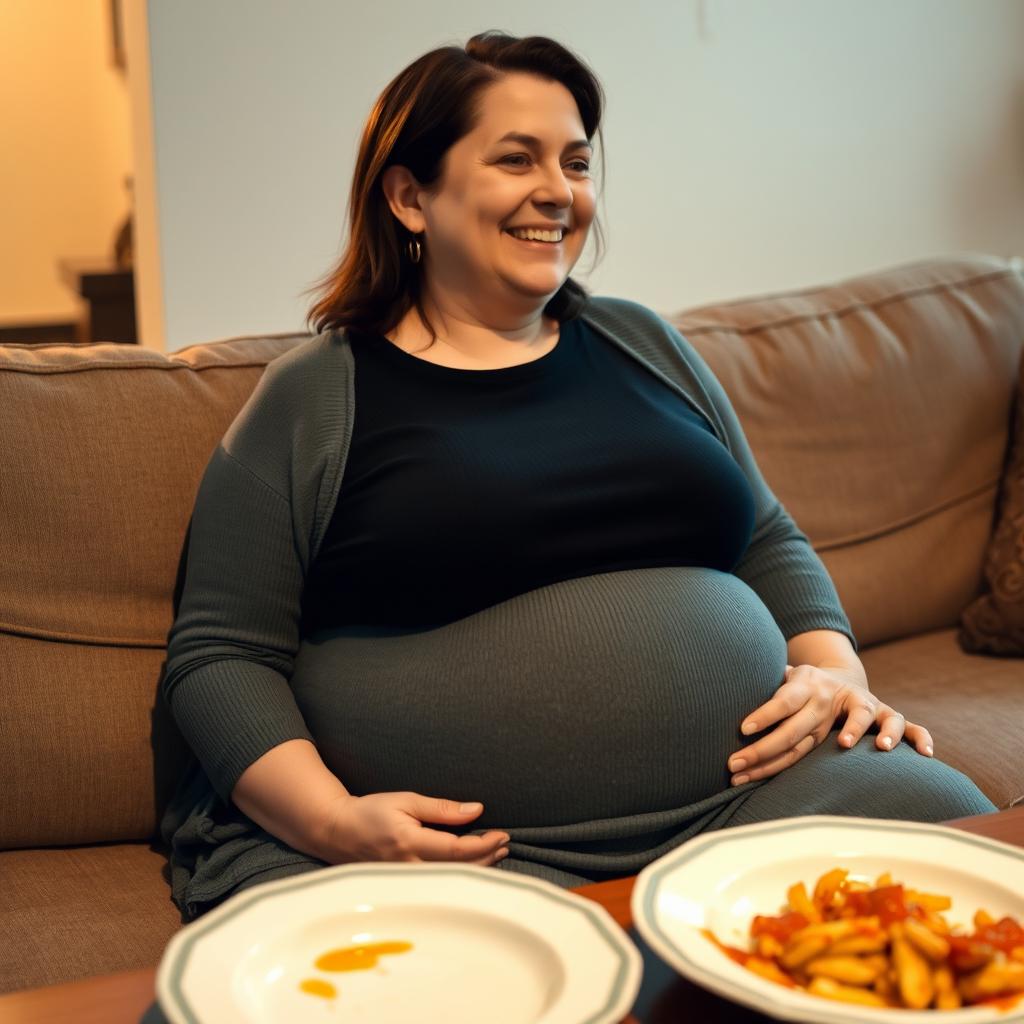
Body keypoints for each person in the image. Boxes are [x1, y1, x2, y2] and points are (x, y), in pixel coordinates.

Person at [159, 31, 993, 922]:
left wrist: (835, 673)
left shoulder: (645, 344)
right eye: (516, 159)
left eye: (576, 161)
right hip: (483, 855)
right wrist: (334, 823)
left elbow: (765, 537)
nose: (559, 191)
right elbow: (221, 654)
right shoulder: (321, 394)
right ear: (409, 195)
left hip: (758, 800)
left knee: (966, 868)